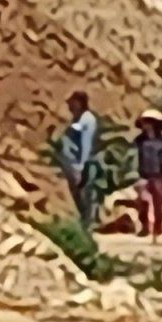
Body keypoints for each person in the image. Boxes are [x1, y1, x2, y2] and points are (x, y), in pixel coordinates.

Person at [134, 110, 162, 241]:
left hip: (159, 176)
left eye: (147, 122)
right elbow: (134, 158)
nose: (145, 124)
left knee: (158, 204)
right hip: (143, 175)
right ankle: (144, 226)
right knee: (142, 201)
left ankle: (158, 228)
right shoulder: (139, 141)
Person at [59, 91, 102, 230]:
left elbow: (86, 142)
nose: (70, 105)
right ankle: (85, 222)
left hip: (84, 163)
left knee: (84, 193)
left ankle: (87, 224)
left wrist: (81, 164)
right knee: (78, 193)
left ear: (79, 103)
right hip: (76, 163)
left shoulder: (87, 119)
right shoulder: (78, 119)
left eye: (72, 102)